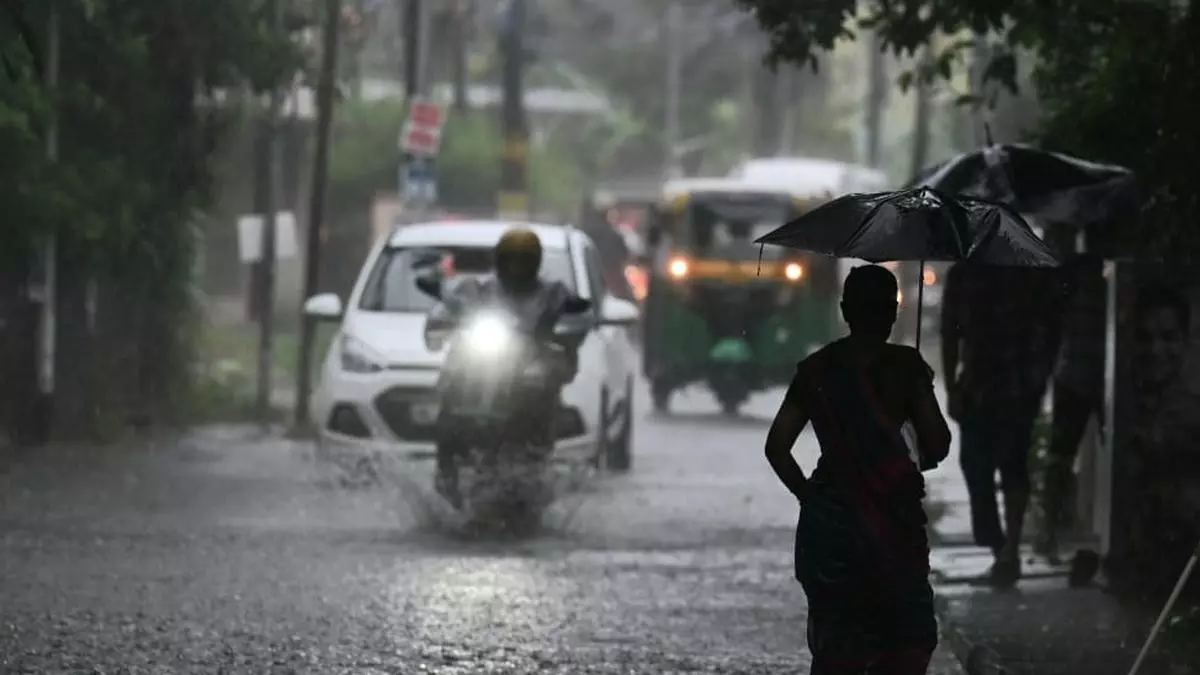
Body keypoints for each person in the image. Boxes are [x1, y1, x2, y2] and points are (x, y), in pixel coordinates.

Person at [765, 265, 951, 675]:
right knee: (905, 644)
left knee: (837, 647)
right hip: (895, 526)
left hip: (832, 529)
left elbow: (777, 446)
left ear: (845, 310)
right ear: (893, 313)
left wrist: (809, 495)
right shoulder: (907, 368)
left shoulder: (817, 370)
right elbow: (937, 445)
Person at [432, 227, 587, 508]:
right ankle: (446, 463)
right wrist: (442, 304)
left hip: (531, 362)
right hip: (487, 356)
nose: (517, 266)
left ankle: (535, 459)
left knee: (542, 385)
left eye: (524, 260)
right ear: (500, 260)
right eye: (511, 259)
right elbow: (452, 303)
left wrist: (576, 317)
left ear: (535, 263)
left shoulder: (552, 292)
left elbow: (578, 313)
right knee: (453, 374)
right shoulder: (480, 288)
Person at [940, 263, 1066, 586]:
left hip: (1018, 386)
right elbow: (949, 333)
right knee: (975, 467)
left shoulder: (1031, 273)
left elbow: (1053, 328)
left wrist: (1041, 378)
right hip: (979, 387)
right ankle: (1000, 545)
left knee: (1012, 467)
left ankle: (1007, 551)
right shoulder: (965, 273)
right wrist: (953, 387)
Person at [1038, 253, 1107, 561]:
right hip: (1085, 378)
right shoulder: (1098, 293)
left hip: (1074, 378)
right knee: (1061, 459)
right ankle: (1051, 531)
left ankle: (1051, 532)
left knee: (1060, 458)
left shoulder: (1067, 292)